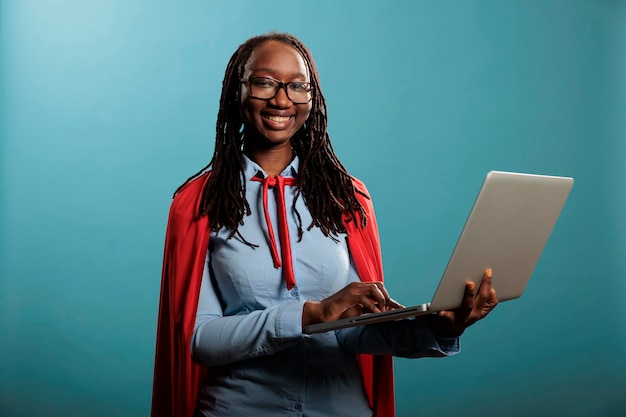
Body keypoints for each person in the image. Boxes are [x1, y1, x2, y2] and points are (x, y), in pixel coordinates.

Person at [151, 32, 498, 417]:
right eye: (265, 82)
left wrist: (442, 328)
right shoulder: (200, 202)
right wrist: (307, 316)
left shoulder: (346, 197)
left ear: (312, 99)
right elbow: (200, 340)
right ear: (238, 89)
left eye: (298, 87)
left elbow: (353, 330)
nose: (282, 100)